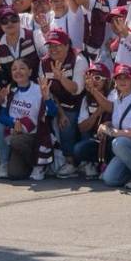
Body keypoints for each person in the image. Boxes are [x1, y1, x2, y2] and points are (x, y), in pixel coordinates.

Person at [0, 59, 57, 180]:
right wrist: (14, 122)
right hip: (16, 134)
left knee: (16, 141)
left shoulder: (39, 90)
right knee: (15, 173)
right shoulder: (10, 91)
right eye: (14, 69)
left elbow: (53, 113)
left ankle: (40, 165)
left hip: (35, 136)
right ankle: (32, 164)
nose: (18, 71)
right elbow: (2, 116)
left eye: (22, 68)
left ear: (30, 71)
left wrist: (47, 97)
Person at [40, 29, 87, 178]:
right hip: (61, 103)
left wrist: (61, 78)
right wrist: (60, 113)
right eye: (50, 46)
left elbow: (77, 90)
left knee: (83, 123)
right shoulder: (44, 63)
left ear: (67, 45)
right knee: (64, 121)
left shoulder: (79, 59)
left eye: (57, 45)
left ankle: (88, 162)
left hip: (81, 103)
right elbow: (48, 92)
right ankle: (69, 162)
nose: (53, 49)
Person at [99, 64, 131, 188]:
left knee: (117, 143)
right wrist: (107, 124)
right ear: (114, 81)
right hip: (127, 149)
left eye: (126, 78)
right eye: (118, 78)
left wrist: (109, 131)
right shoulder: (118, 99)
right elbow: (120, 123)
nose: (122, 81)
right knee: (110, 179)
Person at [72, 63, 114, 179]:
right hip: (96, 139)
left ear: (106, 81)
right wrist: (96, 114)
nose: (93, 81)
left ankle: (108, 164)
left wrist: (95, 93)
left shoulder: (113, 95)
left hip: (111, 139)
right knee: (78, 149)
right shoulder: (86, 99)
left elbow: (110, 109)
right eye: (90, 78)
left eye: (97, 78)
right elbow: (82, 127)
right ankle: (92, 163)